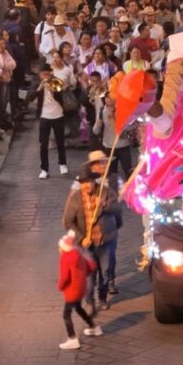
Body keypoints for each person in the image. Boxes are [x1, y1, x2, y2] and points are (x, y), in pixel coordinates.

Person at [63, 153, 122, 311]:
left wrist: (104, 205)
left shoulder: (106, 192)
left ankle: (102, 297)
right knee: (89, 275)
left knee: (104, 271)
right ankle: (90, 300)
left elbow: (117, 209)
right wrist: (81, 239)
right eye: (83, 183)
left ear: (94, 180)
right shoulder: (76, 198)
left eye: (88, 182)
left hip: (105, 240)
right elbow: (67, 221)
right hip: (86, 244)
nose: (86, 186)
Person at [57, 230, 102, 350]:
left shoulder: (65, 258)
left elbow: (65, 277)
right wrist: (83, 275)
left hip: (71, 291)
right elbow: (91, 265)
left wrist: (60, 286)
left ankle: (72, 339)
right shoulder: (77, 253)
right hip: (81, 288)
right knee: (78, 308)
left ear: (63, 248)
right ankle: (94, 327)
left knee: (66, 314)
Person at [31, 64, 69, 177]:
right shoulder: (37, 83)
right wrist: (40, 88)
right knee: (43, 144)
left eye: (47, 74)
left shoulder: (56, 82)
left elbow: (60, 96)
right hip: (44, 117)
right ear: (40, 75)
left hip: (58, 115)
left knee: (60, 141)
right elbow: (30, 98)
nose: (45, 76)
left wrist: (53, 89)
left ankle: (62, 164)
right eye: (43, 74)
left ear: (51, 74)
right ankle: (44, 169)